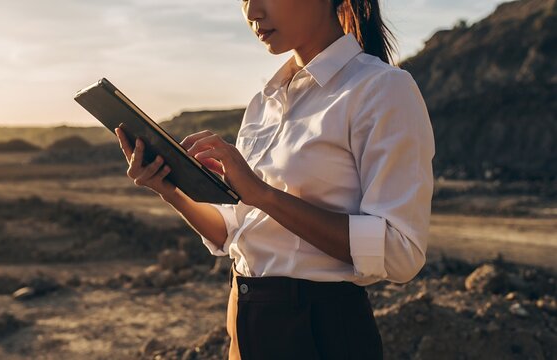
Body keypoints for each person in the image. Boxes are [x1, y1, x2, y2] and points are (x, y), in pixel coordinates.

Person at [115, 0, 435, 358]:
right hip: (246, 319)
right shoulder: (263, 102)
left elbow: (401, 252)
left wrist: (263, 195)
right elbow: (235, 232)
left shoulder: (382, 89)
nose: (252, 12)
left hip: (319, 332)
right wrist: (168, 189)